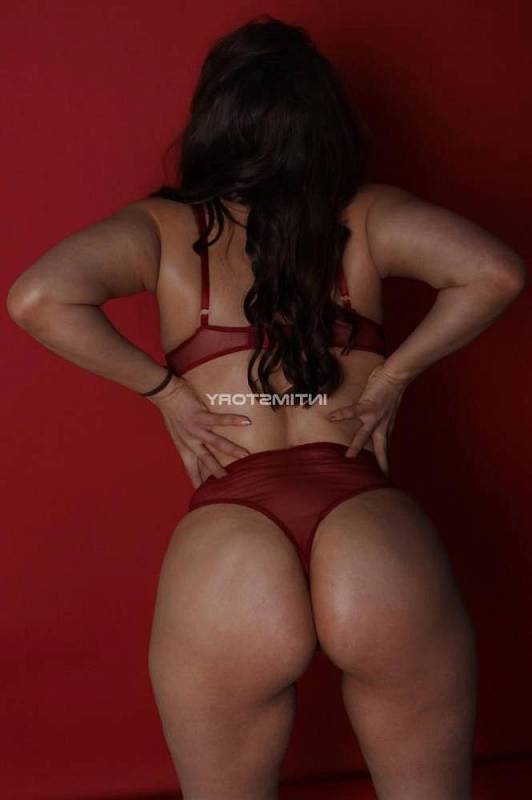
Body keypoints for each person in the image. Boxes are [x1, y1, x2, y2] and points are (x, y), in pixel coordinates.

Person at [6, 15, 527, 800]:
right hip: (371, 531)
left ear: (212, 122)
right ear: (326, 123)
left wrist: (165, 390)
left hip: (230, 539)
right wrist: (392, 377)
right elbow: (496, 273)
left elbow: (36, 296)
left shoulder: (165, 228)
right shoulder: (368, 215)